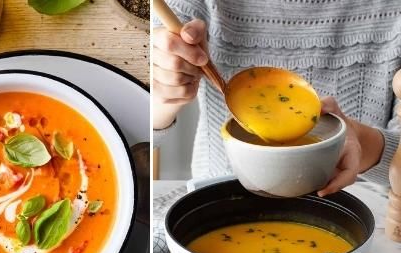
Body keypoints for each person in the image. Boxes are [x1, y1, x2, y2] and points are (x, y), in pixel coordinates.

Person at [152, 0, 400, 196]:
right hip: (215, 201)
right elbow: (141, 134)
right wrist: (161, 95)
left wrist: (362, 142)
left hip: (362, 213)